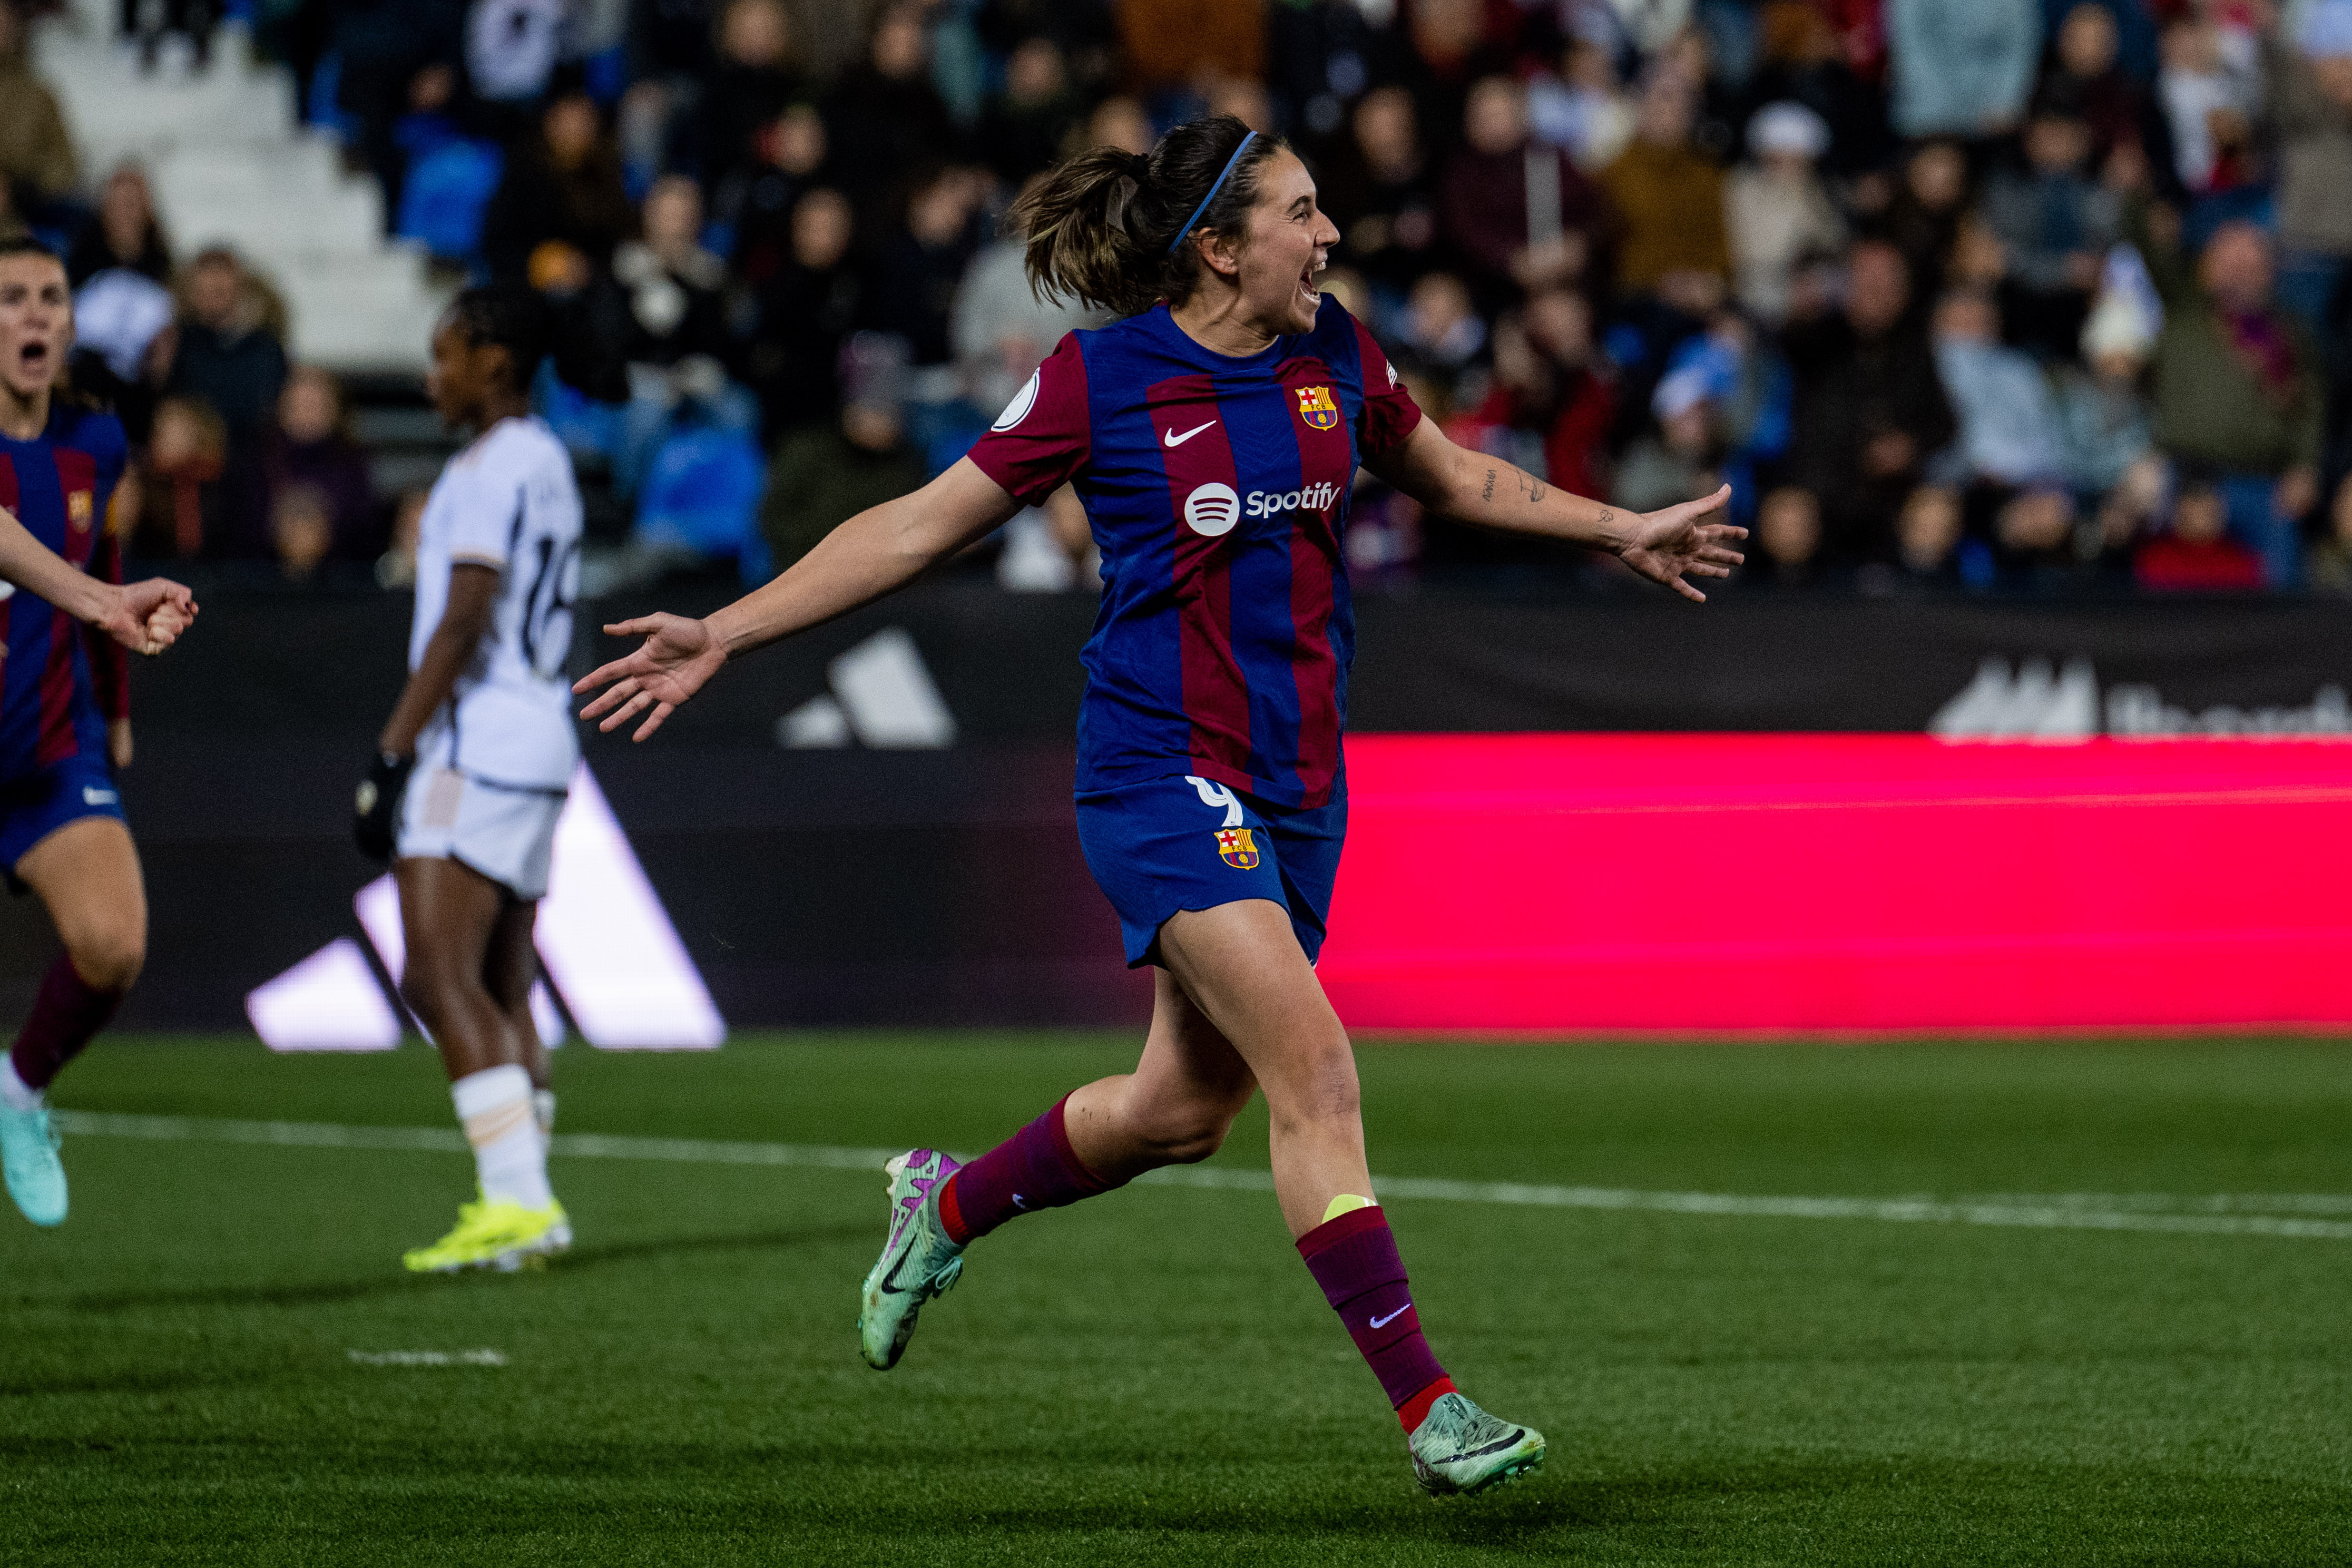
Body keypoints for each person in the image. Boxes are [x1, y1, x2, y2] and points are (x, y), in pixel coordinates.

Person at [573, 115, 1742, 1495]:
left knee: (1180, 1113)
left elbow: (1449, 473)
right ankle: (1431, 1410)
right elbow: (916, 526)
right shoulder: (1102, 380)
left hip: (1301, 784)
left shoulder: (1335, 351)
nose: (1330, 236)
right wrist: (726, 632)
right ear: (1222, 248)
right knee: (1317, 1071)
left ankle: (944, 1203)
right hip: (1157, 769)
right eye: (1302, 214)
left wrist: (1620, 528)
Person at [353, 286, 584, 1275]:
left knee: (433, 972)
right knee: (501, 978)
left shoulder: (489, 469)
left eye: (444, 356)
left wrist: (392, 751)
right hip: (541, 735)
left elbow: (463, 616)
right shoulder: (549, 459)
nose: (431, 377)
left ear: (493, 363)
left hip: (476, 744)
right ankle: (530, 1213)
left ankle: (518, 1202)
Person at [0, 238, 200, 1229]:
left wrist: (115, 707)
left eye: (50, 297)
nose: (34, 314)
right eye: (11, 299)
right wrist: (101, 601)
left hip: (47, 747)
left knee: (114, 945)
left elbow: (106, 565)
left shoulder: (96, 444)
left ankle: (18, 1093)